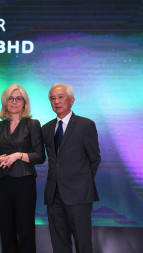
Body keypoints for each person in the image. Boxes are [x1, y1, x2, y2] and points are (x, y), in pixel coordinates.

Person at [42, 83, 101, 253]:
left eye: (61, 97)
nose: (56, 101)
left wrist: (82, 183)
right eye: (52, 98)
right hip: (54, 195)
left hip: (79, 195)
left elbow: (94, 159)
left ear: (72, 100)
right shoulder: (46, 128)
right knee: (59, 243)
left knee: (83, 243)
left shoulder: (85, 125)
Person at [0, 84, 45, 253]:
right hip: (3, 183)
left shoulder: (33, 124)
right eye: (10, 98)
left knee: (25, 231)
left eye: (18, 98)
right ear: (5, 102)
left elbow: (40, 156)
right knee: (6, 232)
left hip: (24, 183)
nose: (14, 102)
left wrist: (18, 155)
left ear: (24, 102)